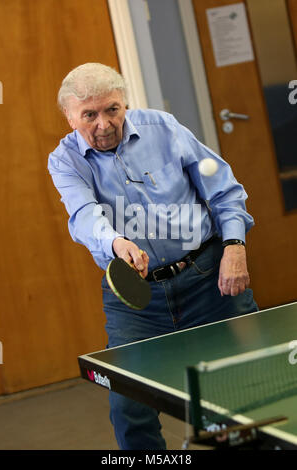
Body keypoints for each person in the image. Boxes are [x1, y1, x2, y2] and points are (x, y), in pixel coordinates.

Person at [48, 63, 258, 450]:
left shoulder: (165, 129)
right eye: (89, 115)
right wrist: (115, 243)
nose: (104, 124)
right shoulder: (64, 160)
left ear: (125, 102)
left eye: (112, 109)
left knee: (247, 387)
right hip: (135, 299)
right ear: (69, 116)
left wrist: (234, 245)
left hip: (207, 277)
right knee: (129, 408)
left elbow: (224, 189)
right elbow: (83, 216)